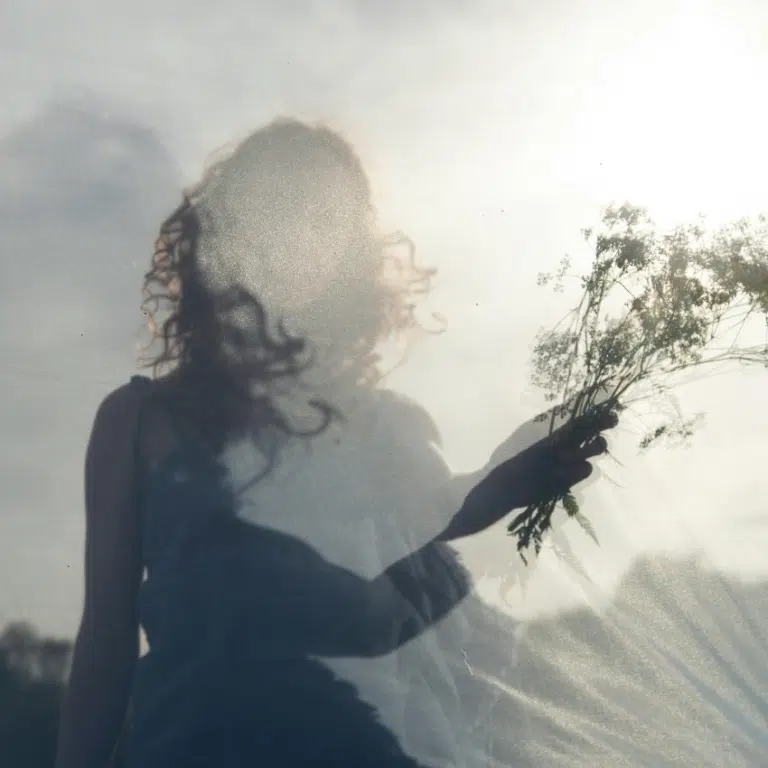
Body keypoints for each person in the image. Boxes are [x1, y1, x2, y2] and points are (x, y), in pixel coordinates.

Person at [54, 117, 617, 768]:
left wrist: (504, 477)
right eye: (280, 209)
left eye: (325, 221)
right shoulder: (137, 421)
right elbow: (106, 634)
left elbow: (431, 548)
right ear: (229, 227)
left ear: (347, 253)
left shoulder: (386, 424)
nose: (298, 238)